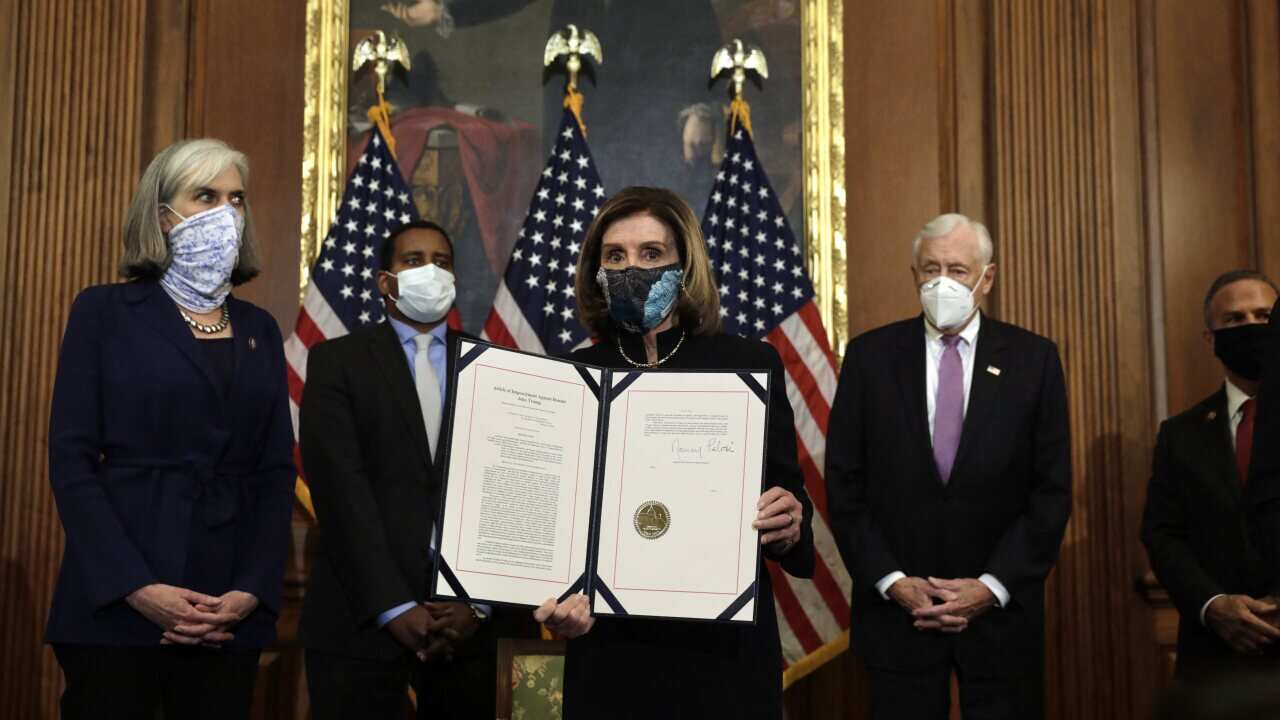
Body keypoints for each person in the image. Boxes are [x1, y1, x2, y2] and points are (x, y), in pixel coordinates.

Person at [531, 186, 815, 718]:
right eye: (614, 256)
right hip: (611, 649)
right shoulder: (570, 377)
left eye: (651, 254)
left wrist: (790, 520)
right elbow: (554, 522)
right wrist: (559, 601)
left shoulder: (748, 364)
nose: (630, 268)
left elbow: (786, 491)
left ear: (684, 268)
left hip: (725, 655)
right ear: (595, 271)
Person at [45, 139, 296, 718]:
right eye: (204, 196)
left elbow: (276, 472)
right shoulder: (103, 312)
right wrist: (138, 588)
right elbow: (71, 461)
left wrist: (250, 590)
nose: (224, 213)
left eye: (235, 200)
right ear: (163, 214)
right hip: (118, 603)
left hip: (225, 608)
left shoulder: (258, 326)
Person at [825, 213, 1072, 719]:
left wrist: (992, 586)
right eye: (930, 268)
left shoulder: (1034, 359)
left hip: (1001, 618)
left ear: (988, 277)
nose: (942, 282)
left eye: (957, 270)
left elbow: (1051, 491)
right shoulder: (870, 356)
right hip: (898, 618)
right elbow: (845, 485)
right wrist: (892, 581)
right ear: (914, 274)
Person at [299, 220, 537, 719]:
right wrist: (393, 606)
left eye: (442, 261)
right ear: (385, 281)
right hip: (360, 625)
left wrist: (476, 604)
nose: (430, 270)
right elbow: (341, 494)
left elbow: (516, 492)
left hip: (478, 632)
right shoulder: (335, 362)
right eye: (413, 261)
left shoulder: (498, 367)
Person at [1141, 270, 1280, 680]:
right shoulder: (1180, 434)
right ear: (1211, 339)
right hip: (1217, 656)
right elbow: (1162, 534)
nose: (1252, 327)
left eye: (1265, 316)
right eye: (1235, 320)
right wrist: (1213, 603)